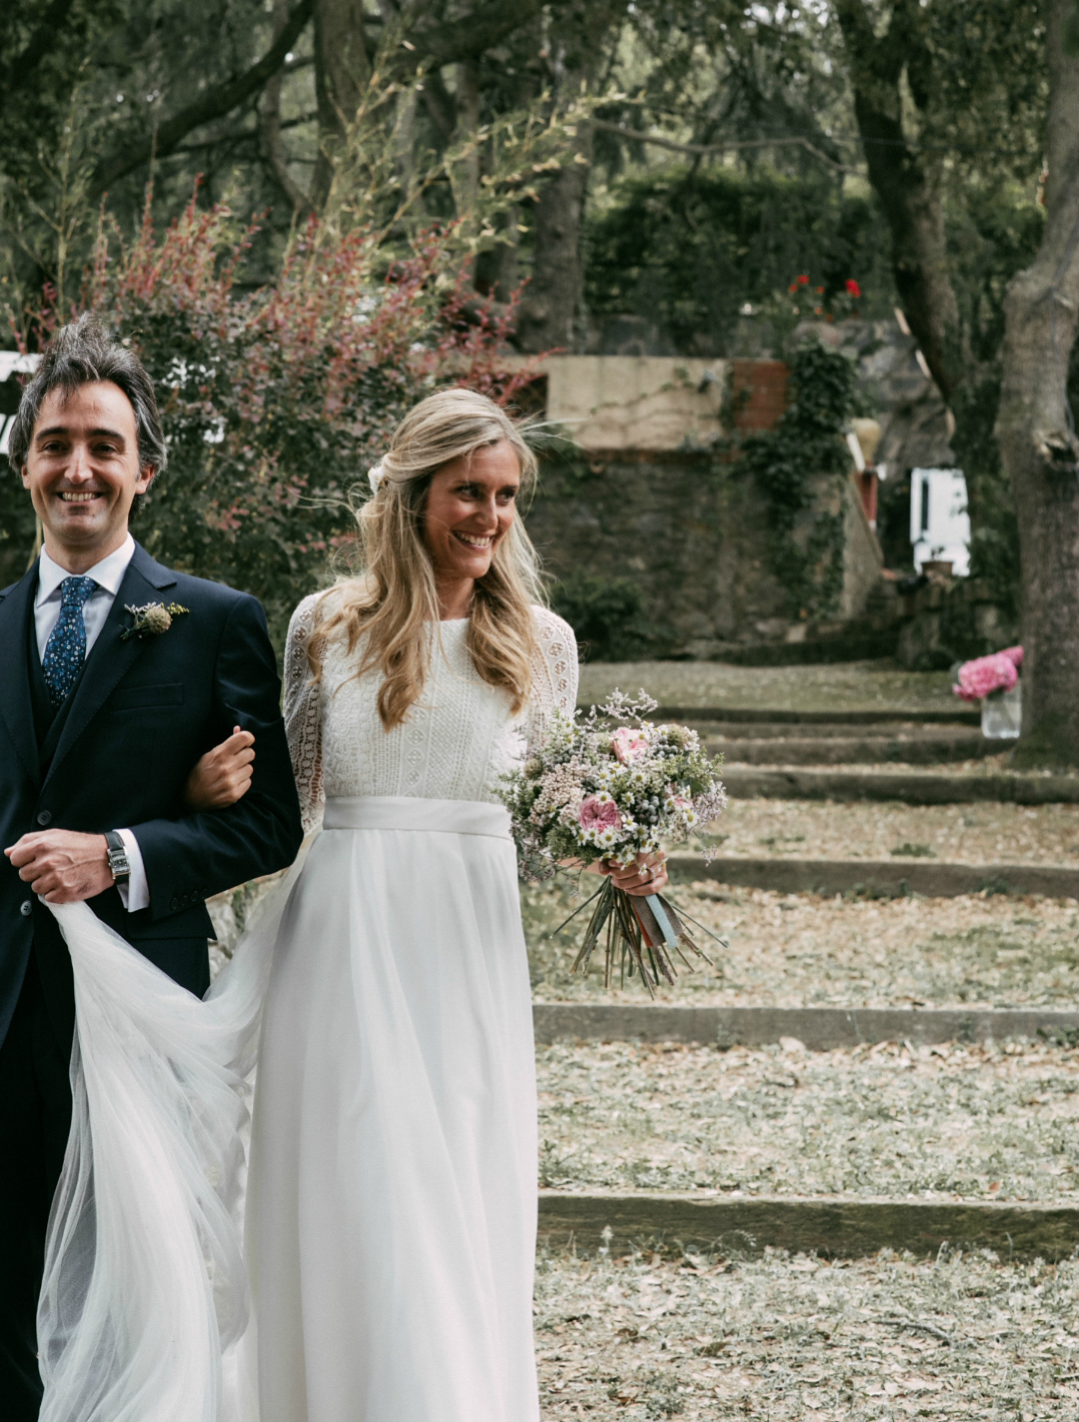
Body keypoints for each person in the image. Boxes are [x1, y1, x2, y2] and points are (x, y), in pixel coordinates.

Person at [34, 384, 668, 1421]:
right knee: (357, 1191)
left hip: (466, 948)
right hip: (338, 937)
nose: (490, 518)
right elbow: (289, 809)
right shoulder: (322, 629)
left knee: (451, 1188)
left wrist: (626, 859)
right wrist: (195, 798)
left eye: (507, 498)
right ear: (413, 495)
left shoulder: (541, 643)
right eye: (469, 492)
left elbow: (558, 812)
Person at [0, 313, 303, 1422]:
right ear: (24, 464)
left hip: (140, 1017)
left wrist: (121, 854)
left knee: (132, 1304)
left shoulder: (214, 625)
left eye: (104, 445)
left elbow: (268, 826)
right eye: (58, 442)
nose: (80, 467)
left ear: (144, 469)